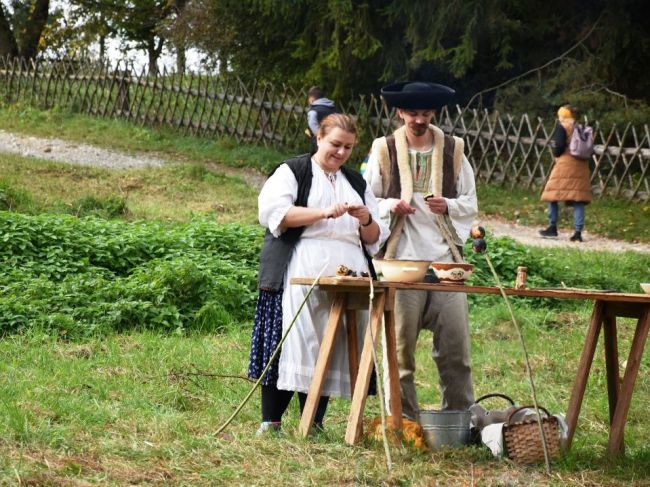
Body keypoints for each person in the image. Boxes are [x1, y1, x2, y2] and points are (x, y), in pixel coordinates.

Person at [248, 113, 389, 434]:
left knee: (333, 339)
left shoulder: (355, 181)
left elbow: (373, 239)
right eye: (335, 144)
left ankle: (313, 421)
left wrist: (367, 219)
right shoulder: (293, 171)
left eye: (348, 147)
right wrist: (324, 212)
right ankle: (271, 421)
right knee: (294, 341)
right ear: (318, 138)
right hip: (300, 270)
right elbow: (275, 213)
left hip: (347, 272)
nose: (341, 153)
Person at [363, 81, 478, 420]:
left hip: (446, 265)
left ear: (433, 113)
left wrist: (449, 205)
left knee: (456, 352)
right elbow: (367, 199)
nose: (418, 119)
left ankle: (459, 420)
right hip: (401, 263)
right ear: (400, 113)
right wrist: (391, 205)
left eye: (425, 113)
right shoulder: (383, 149)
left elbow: (470, 201)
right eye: (412, 112)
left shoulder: (453, 149)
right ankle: (404, 423)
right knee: (400, 353)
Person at [539, 105, 592, 242]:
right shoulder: (579, 127)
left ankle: (552, 227)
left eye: (560, 114)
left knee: (552, 194)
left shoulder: (562, 126)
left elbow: (559, 147)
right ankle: (578, 232)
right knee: (578, 198)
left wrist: (556, 154)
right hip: (581, 165)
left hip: (565, 164)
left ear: (563, 115)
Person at [306, 86, 339, 154]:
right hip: (335, 141)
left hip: (319, 143)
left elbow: (315, 129)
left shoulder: (313, 112)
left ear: (312, 99)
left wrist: (323, 138)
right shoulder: (335, 109)